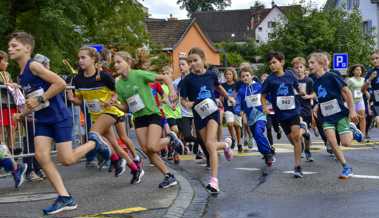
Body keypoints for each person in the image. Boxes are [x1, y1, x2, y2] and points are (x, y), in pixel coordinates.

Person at [10, 32, 111, 215]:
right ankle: (65, 197)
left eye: (15, 46)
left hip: (59, 118)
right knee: (41, 156)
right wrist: (22, 113)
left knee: (67, 160)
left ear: (27, 48)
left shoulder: (34, 66)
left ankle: (95, 143)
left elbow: (60, 83)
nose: (11, 49)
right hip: (43, 120)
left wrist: (40, 99)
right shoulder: (21, 75)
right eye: (9, 46)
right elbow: (33, 101)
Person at [68, 47, 143, 182]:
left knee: (93, 134)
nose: (80, 61)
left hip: (110, 111)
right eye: (79, 58)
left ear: (93, 59)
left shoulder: (103, 76)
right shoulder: (78, 79)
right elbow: (80, 100)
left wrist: (112, 99)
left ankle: (115, 159)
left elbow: (118, 91)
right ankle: (134, 168)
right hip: (96, 115)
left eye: (83, 57)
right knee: (114, 145)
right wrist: (72, 99)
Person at [113, 51, 182, 189]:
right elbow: (126, 108)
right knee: (147, 150)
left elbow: (165, 78)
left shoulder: (138, 74)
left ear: (128, 62)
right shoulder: (119, 84)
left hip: (153, 114)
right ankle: (169, 176)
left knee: (152, 146)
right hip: (138, 118)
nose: (116, 65)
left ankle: (171, 139)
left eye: (119, 62)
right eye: (114, 62)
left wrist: (172, 90)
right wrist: (115, 105)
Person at [180, 47, 234, 194]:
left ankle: (214, 181)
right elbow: (183, 100)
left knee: (210, 143)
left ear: (203, 60)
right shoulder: (187, 80)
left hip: (212, 113)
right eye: (190, 61)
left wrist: (228, 97)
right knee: (210, 148)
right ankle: (225, 145)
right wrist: (187, 104)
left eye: (195, 60)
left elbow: (218, 87)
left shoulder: (211, 75)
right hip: (199, 116)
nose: (192, 64)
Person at [308, 52, 356, 179]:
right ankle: (346, 167)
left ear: (322, 64)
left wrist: (352, 111)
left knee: (346, 143)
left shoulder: (332, 76)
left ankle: (352, 129)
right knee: (333, 143)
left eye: (312, 63)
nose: (310, 65)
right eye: (309, 63)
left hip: (339, 114)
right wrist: (317, 106)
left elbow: (347, 92)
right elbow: (322, 97)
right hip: (326, 117)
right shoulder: (315, 83)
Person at [261, 51, 304, 178]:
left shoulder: (290, 75)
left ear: (282, 62)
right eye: (270, 64)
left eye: (274, 62)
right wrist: (264, 108)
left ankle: (297, 166)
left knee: (296, 138)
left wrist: (302, 92)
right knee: (293, 140)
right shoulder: (270, 80)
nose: (272, 65)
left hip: (294, 110)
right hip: (281, 114)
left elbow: (297, 87)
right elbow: (262, 96)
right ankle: (303, 130)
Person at [236, 64, 275, 166]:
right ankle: (266, 153)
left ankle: (268, 153)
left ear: (252, 76)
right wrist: (238, 110)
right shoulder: (241, 90)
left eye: (247, 75)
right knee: (257, 138)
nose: (245, 78)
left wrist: (275, 103)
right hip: (250, 117)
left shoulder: (258, 86)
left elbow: (267, 95)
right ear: (241, 78)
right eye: (243, 76)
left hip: (260, 114)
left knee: (258, 132)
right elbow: (238, 102)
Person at [292, 57, 314, 161]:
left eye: (300, 67)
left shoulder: (309, 80)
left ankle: (307, 151)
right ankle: (299, 149)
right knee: (297, 131)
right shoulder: (292, 81)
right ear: (293, 69)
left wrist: (308, 96)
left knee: (306, 134)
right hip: (295, 109)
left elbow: (315, 93)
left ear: (304, 68)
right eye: (296, 68)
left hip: (306, 109)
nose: (299, 69)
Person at [221, 67, 242, 152]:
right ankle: (233, 139)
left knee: (237, 126)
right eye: (226, 74)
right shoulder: (223, 85)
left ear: (233, 75)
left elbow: (241, 94)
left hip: (236, 108)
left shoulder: (237, 84)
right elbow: (221, 95)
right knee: (230, 124)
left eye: (230, 74)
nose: (228, 76)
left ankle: (239, 143)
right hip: (227, 108)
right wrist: (221, 100)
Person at [346, 64, 366, 137]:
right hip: (351, 101)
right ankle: (349, 134)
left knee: (362, 117)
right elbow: (346, 90)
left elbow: (364, 89)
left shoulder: (363, 79)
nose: (359, 71)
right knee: (351, 118)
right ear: (353, 71)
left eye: (360, 70)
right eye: (357, 70)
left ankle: (363, 135)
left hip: (360, 100)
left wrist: (366, 93)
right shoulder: (350, 80)